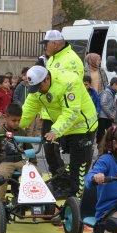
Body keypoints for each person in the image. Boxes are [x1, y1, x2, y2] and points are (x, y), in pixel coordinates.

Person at [21, 65, 98, 199]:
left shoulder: (69, 82)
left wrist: (55, 131)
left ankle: (75, 200)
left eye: (39, 87)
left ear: (47, 79)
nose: (38, 90)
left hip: (83, 127)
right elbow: (29, 108)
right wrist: (16, 126)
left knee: (78, 167)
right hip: (65, 129)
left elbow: (71, 112)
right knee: (61, 161)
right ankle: (63, 188)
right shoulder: (38, 90)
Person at [39, 30, 84, 176]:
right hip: (50, 111)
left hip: (64, 112)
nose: (44, 47)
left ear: (55, 44)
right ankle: (57, 178)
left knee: (64, 149)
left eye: (46, 44)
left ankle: (65, 180)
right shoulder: (52, 58)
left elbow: (73, 88)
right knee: (49, 149)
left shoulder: (72, 60)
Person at [0, 103, 31, 204]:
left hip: (20, 160)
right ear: (5, 117)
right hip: (5, 161)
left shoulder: (22, 132)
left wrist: (33, 163)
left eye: (18, 120)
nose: (16, 123)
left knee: (35, 173)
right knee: (2, 175)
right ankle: (0, 202)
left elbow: (29, 149)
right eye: (14, 120)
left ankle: (28, 199)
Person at [97, 77, 117, 151]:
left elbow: (113, 106)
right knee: (101, 134)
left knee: (110, 133)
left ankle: (107, 147)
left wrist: (113, 114)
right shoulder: (106, 93)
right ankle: (100, 148)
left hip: (107, 117)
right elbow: (103, 104)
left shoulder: (112, 93)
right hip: (103, 117)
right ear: (114, 84)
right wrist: (110, 114)